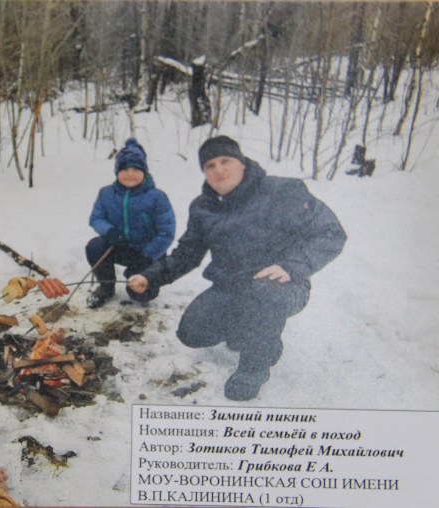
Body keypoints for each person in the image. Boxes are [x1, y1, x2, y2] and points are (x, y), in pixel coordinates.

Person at [128, 136, 347, 401]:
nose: (219, 170)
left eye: (226, 161)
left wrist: (292, 266)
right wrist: (150, 277)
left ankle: (254, 367)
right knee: (192, 332)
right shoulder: (203, 207)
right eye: (210, 165)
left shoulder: (282, 191)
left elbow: (331, 233)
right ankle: (254, 333)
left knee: (266, 294)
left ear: (242, 164)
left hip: (280, 285)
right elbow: (187, 253)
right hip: (231, 286)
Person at [86, 138, 176, 309]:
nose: (130, 174)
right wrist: (110, 231)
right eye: (125, 169)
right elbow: (96, 218)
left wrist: (148, 254)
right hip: (120, 247)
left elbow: (166, 232)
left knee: (140, 294)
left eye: (136, 169)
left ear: (145, 171)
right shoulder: (106, 193)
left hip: (148, 253)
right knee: (95, 246)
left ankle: (142, 279)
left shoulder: (156, 197)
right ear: (117, 171)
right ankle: (106, 287)